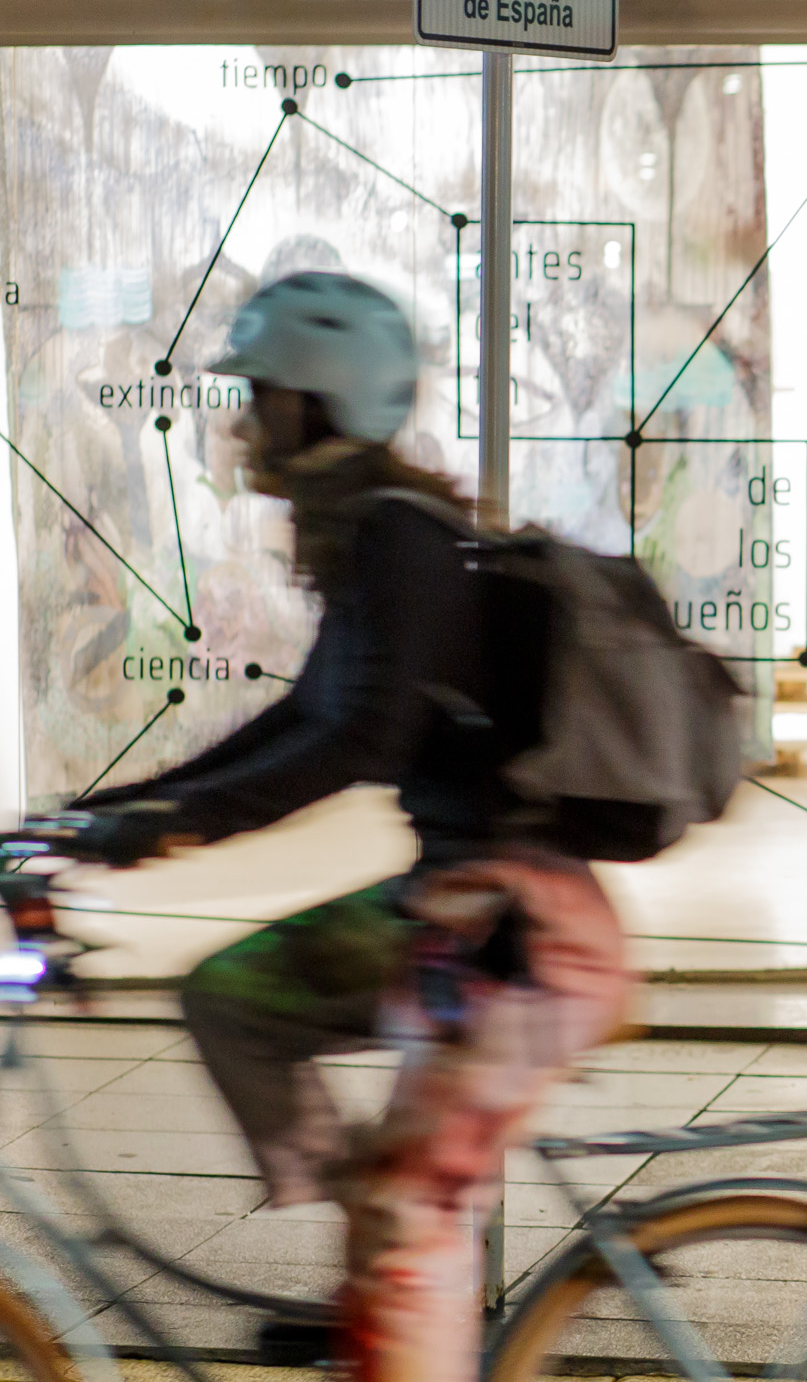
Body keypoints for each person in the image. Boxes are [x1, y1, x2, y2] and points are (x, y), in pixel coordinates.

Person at [71, 272, 632, 1381]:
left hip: (520, 935)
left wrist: (173, 824)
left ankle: (393, 1265)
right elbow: (304, 716)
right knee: (231, 994)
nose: (243, 422)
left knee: (409, 1214)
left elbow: (355, 744)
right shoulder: (377, 534)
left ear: (321, 403)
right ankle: (375, 1261)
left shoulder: (398, 540)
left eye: (264, 396)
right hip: (462, 915)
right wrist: (107, 812)